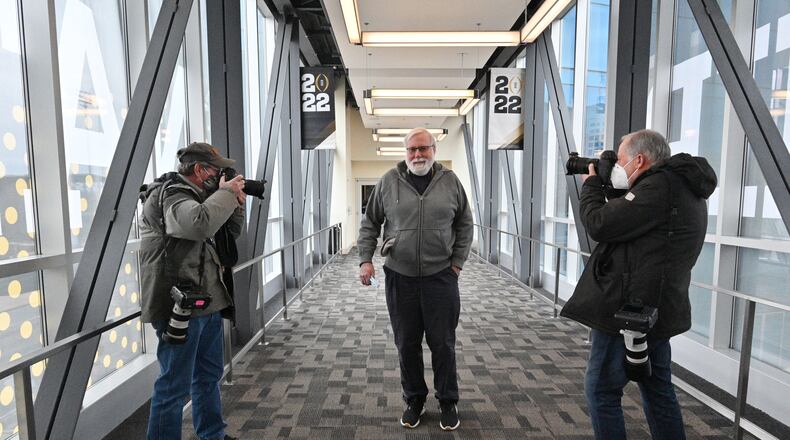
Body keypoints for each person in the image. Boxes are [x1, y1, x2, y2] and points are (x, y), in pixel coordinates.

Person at [560, 129, 717, 439]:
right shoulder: (681, 185)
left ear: (640, 160)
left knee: (601, 391)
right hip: (656, 307)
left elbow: (600, 224)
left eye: (621, 160)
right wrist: (618, 189)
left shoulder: (660, 188)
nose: (618, 164)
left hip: (627, 311)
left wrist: (591, 185)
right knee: (657, 388)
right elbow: (635, 225)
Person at [358, 128, 474, 431]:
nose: (418, 155)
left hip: (441, 278)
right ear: (405, 152)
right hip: (400, 277)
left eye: (423, 148)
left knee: (443, 344)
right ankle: (414, 400)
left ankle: (448, 401)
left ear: (434, 149)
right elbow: (370, 222)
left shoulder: (450, 182)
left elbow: (465, 223)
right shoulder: (388, 182)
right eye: (412, 150)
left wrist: (457, 264)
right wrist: (365, 259)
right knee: (406, 344)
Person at [139, 142, 245, 440]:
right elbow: (197, 225)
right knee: (174, 386)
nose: (219, 175)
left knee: (208, 377)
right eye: (215, 169)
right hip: (180, 305)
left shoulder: (202, 195)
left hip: (207, 301)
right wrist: (224, 194)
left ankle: (212, 434)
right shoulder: (171, 193)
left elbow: (226, 235)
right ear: (199, 170)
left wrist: (234, 203)